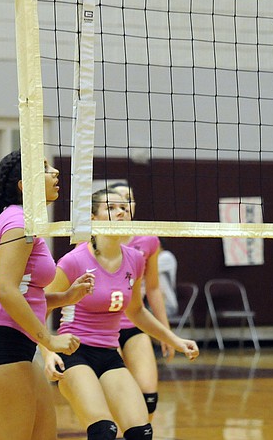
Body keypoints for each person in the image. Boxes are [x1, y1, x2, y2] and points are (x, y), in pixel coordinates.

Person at [41, 188, 199, 440]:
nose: (122, 211)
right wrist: (48, 352)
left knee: (141, 432)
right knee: (104, 430)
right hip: (73, 353)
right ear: (93, 219)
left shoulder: (136, 259)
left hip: (109, 354)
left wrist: (174, 340)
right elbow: (40, 306)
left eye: (124, 206)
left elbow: (136, 310)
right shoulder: (74, 261)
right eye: (111, 207)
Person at [0, 151, 94, 440]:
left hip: (17, 348)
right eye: (46, 168)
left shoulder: (26, 221)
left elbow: (23, 294)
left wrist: (66, 297)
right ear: (25, 184)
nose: (56, 173)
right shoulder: (18, 221)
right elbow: (5, 292)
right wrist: (48, 340)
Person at [107, 181, 173, 422]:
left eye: (129, 199)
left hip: (136, 322)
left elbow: (153, 288)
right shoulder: (91, 240)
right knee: (115, 396)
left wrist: (164, 331)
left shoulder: (147, 240)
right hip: (101, 328)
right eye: (118, 201)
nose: (125, 206)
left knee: (148, 396)